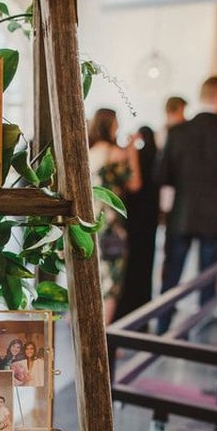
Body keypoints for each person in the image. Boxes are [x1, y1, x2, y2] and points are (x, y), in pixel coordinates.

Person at [155, 75, 217, 334]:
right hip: (216, 217)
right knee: (207, 279)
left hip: (182, 215)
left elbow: (162, 175)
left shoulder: (178, 132)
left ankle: (163, 328)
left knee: (171, 276)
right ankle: (201, 332)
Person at [88, 108, 142, 324]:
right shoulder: (115, 153)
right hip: (111, 225)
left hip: (89, 223)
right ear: (110, 125)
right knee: (112, 281)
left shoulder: (88, 151)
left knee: (92, 275)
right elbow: (135, 183)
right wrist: (132, 153)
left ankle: (87, 327)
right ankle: (104, 333)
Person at [115, 125, 159, 319]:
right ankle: (142, 311)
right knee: (144, 267)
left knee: (128, 268)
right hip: (149, 224)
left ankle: (123, 311)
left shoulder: (130, 161)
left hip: (130, 222)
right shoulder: (155, 159)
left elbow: (132, 185)